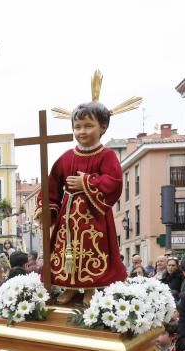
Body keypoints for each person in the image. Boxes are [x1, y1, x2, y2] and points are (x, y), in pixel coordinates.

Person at [43, 100, 128, 304]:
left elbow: (114, 182)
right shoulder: (66, 157)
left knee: (92, 249)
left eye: (88, 126)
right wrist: (45, 207)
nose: (82, 131)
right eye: (77, 126)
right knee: (66, 251)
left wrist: (86, 182)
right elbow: (51, 184)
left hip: (94, 217)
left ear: (103, 127)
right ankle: (70, 287)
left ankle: (92, 288)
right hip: (68, 216)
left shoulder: (107, 155)